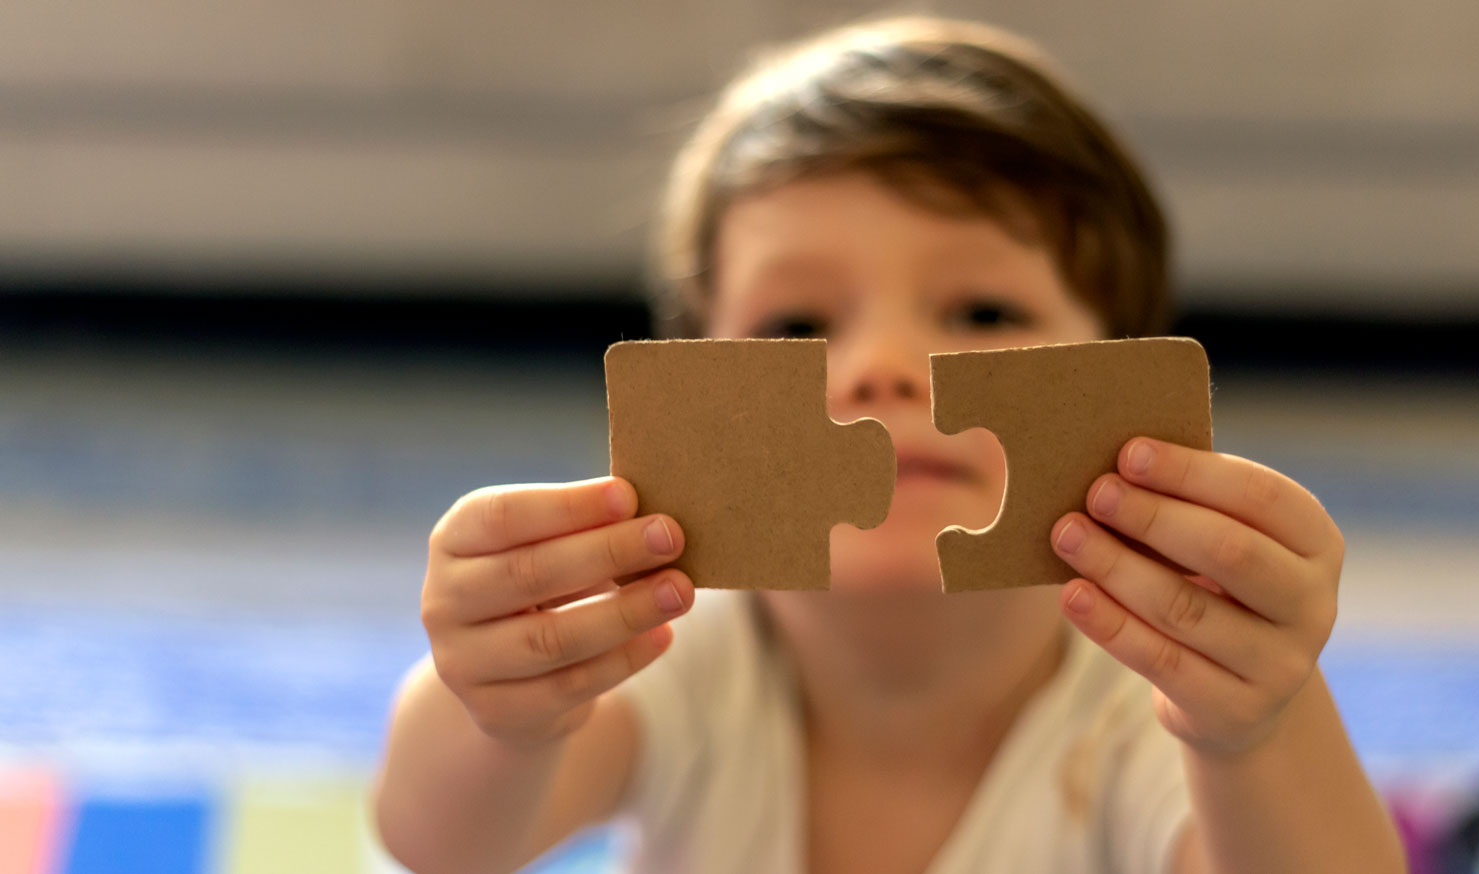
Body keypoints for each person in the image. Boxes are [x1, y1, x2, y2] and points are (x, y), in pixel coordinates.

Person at [372, 15, 1406, 874]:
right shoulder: (678, 647)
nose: (886, 367)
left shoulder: (1147, 704)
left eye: (986, 311)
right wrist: (502, 708)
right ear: (699, 383)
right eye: (795, 326)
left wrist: (1257, 726)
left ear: (1123, 376)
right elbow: (439, 841)